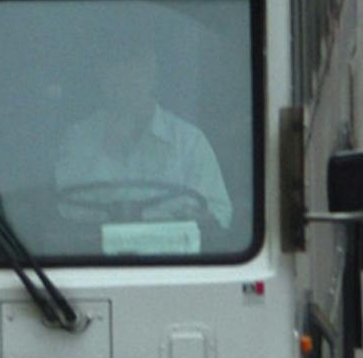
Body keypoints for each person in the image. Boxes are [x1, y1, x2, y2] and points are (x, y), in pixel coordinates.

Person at [54, 47, 232, 230]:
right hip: (92, 256)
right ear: (101, 75)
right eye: (116, 78)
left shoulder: (189, 142)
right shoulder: (78, 139)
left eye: (133, 76)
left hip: (174, 256)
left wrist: (198, 219)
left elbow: (219, 215)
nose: (124, 81)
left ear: (151, 76)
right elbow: (65, 213)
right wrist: (107, 150)